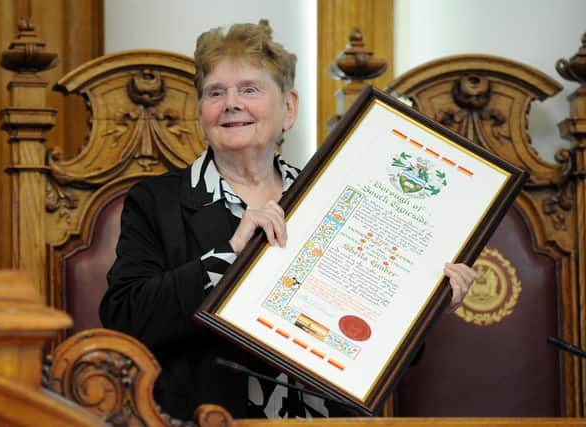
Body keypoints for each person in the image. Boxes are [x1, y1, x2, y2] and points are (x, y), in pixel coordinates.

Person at [99, 20, 476, 421]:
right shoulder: (157, 201)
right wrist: (227, 257)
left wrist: (424, 306)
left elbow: (378, 347)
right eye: (215, 92)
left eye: (249, 89)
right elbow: (125, 316)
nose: (231, 103)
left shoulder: (333, 199)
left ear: (289, 108)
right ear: (201, 113)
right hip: (208, 417)